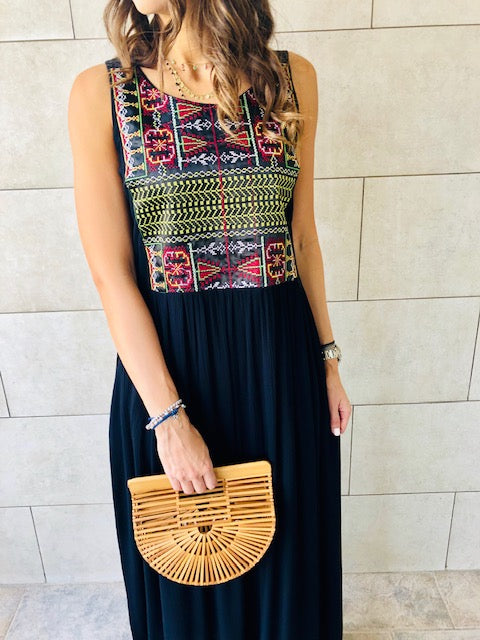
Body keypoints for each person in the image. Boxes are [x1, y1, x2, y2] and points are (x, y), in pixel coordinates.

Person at [68, 1, 351, 638]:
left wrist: (328, 360)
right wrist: (168, 420)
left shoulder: (292, 79)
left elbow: (302, 238)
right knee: (188, 579)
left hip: (282, 369)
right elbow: (111, 275)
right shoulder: (102, 95)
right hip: (169, 378)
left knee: (291, 574)